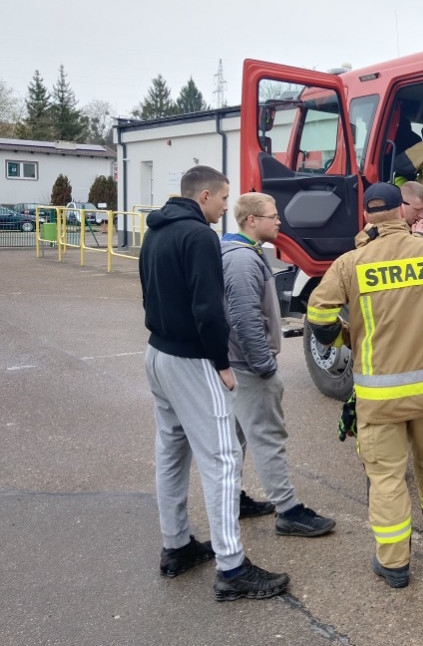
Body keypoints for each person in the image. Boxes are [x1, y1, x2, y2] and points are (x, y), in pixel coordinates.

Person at [306, 182, 423, 589]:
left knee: (386, 478)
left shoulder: (350, 263)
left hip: (377, 396)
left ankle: (395, 564)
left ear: (367, 217)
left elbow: (319, 317)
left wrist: (345, 338)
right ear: (403, 213)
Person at [139, 165, 289, 601]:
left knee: (171, 451)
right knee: (222, 458)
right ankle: (232, 567)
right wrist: (221, 363)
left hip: (157, 353)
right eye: (224, 199)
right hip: (190, 357)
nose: (227, 206)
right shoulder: (200, 236)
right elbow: (208, 307)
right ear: (204, 196)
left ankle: (177, 546)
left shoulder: (155, 231)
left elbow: (148, 292)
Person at [221, 192, 337, 537]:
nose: (279, 222)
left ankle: (232, 499)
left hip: (238, 363)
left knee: (235, 438)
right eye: (272, 216)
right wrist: (264, 367)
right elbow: (245, 319)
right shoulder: (242, 261)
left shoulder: (239, 253)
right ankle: (288, 510)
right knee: (268, 437)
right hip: (249, 366)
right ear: (251, 221)